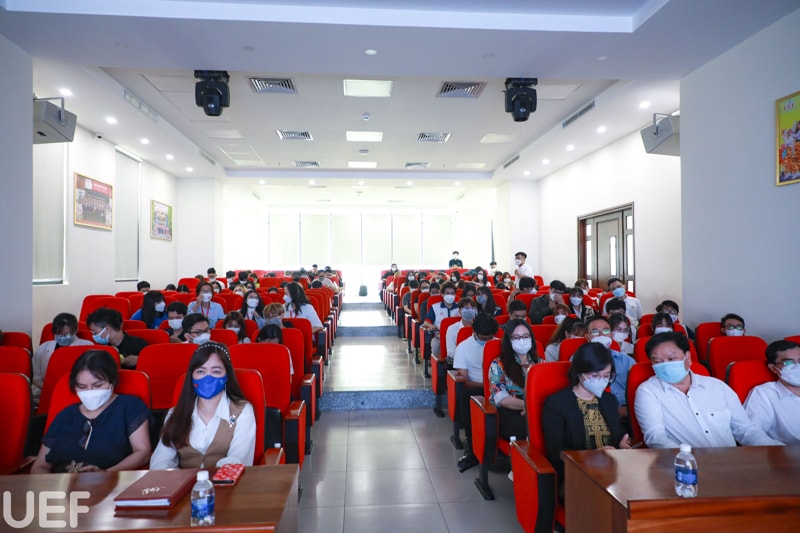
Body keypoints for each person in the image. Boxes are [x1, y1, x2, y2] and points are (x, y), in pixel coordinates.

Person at [635, 332, 782, 449]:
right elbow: (656, 437)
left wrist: (777, 450)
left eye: (672, 359)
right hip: (685, 467)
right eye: (657, 362)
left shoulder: (717, 387)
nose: (665, 365)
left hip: (731, 463)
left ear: (687, 357)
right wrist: (687, 460)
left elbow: (745, 429)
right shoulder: (648, 391)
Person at [31, 350, 150, 473]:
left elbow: (142, 452)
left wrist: (106, 474)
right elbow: (40, 466)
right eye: (82, 387)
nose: (90, 391)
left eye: (98, 385)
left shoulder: (129, 406)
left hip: (111, 479)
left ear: (112, 381)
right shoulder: (66, 415)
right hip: (61, 481)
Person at [542, 343, 631, 501]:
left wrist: (621, 443)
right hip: (577, 473)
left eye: (606, 375)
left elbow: (616, 435)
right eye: (595, 376)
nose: (602, 380)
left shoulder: (609, 400)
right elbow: (555, 451)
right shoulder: (556, 403)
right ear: (579, 372)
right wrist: (590, 456)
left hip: (611, 471)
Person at [150, 343, 256, 469]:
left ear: (227, 376)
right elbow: (160, 462)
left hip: (226, 480)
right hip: (182, 480)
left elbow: (238, 461)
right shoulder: (175, 414)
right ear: (192, 376)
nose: (207, 378)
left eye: (216, 371)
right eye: (200, 371)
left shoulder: (242, 412)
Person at [453, 313, 499, 471]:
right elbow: (465, 379)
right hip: (477, 386)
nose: (487, 341)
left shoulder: (499, 345)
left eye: (490, 338)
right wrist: (486, 386)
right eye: (483, 338)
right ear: (475, 331)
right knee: (466, 395)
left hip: (498, 386)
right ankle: (471, 445)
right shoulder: (463, 347)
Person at [490, 319, 541, 440]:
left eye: (525, 336)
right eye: (516, 338)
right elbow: (501, 398)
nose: (522, 341)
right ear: (509, 341)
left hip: (538, 409)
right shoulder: (498, 364)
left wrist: (533, 408)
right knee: (525, 429)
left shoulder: (540, 363)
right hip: (511, 411)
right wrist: (528, 406)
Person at [744, 340, 800, 444]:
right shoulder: (764, 394)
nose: (797, 366)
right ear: (774, 368)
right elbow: (752, 434)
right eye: (788, 363)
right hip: (787, 452)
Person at [32, 312, 93, 404]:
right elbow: (36, 377)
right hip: (46, 391)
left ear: (76, 330)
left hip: (78, 392)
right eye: (59, 334)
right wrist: (50, 389)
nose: (63, 338)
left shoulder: (87, 346)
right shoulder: (44, 348)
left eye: (67, 334)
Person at [583, 316, 633, 417]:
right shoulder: (580, 359)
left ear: (611, 334)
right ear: (587, 336)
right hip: (595, 412)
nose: (601, 335)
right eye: (595, 332)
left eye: (606, 331)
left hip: (626, 411)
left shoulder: (626, 360)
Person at [423, 282, 460, 359]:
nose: (450, 295)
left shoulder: (460, 307)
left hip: (457, 336)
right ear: (442, 294)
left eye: (452, 293)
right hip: (439, 335)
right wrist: (432, 326)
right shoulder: (435, 307)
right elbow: (426, 322)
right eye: (447, 293)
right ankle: (438, 364)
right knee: (435, 346)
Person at [445, 298, 477, 365]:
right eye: (465, 309)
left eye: (471, 308)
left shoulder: (479, 327)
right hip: (460, 361)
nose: (468, 311)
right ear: (459, 311)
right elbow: (451, 352)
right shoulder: (452, 329)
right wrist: (466, 358)